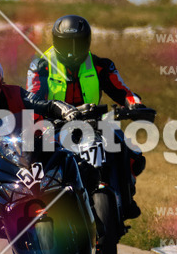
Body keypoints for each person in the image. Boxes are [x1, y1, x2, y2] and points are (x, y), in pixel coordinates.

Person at [26, 14, 148, 218]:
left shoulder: (101, 65)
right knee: (31, 154)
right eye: (67, 44)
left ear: (87, 42)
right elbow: (32, 100)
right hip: (53, 125)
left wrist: (136, 105)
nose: (72, 50)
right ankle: (38, 205)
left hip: (93, 123)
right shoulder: (41, 66)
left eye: (78, 43)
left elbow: (123, 91)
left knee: (130, 152)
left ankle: (125, 200)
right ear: (56, 42)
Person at [0, 51, 75, 239]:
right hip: (0, 172)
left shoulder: (16, 93)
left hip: (36, 158)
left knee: (79, 166)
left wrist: (66, 110)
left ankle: (90, 216)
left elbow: (47, 105)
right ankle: (17, 237)